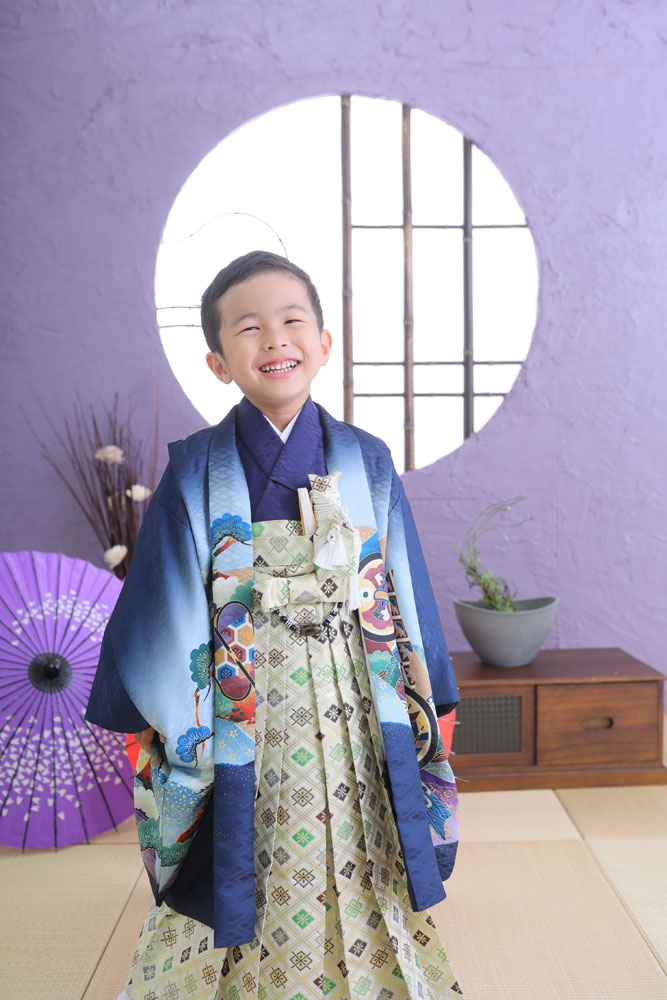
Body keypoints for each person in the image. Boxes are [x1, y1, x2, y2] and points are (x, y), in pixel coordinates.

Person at [86, 250, 464, 1000]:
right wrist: (178, 717)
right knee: (252, 840)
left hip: (354, 695)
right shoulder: (196, 468)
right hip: (245, 705)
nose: (275, 340)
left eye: (292, 321)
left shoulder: (367, 461)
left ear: (323, 342)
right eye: (248, 328)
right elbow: (167, 600)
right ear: (219, 363)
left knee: (360, 829)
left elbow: (401, 590)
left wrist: (422, 691)